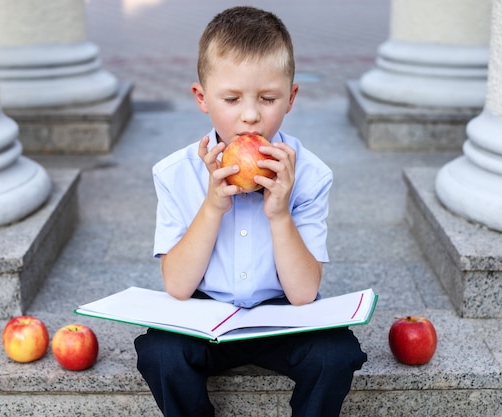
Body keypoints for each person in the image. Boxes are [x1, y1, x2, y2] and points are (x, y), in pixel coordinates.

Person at [135, 6, 367, 417]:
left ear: (291, 97)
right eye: (231, 98)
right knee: (160, 353)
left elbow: (303, 293)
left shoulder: (309, 175)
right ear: (202, 98)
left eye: (268, 98)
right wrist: (212, 207)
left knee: (335, 354)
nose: (250, 115)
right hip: (204, 313)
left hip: (280, 315)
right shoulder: (175, 174)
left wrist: (279, 214)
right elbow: (177, 286)